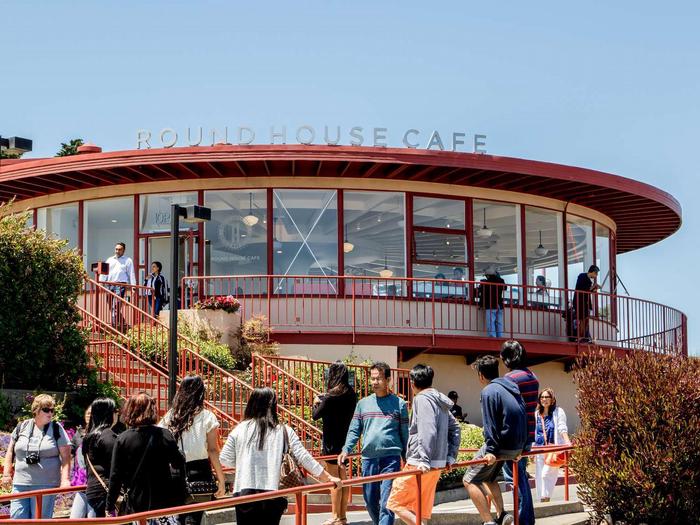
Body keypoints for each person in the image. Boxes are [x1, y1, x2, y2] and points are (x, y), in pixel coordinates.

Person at [219, 387, 341, 525]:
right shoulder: (283, 430)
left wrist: (245, 463)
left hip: (244, 491)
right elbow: (303, 456)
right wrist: (327, 477)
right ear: (273, 406)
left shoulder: (240, 429)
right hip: (273, 492)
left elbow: (225, 458)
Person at [387, 365, 460, 525]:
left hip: (419, 462)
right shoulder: (440, 401)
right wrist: (450, 456)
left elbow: (428, 430)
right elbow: (455, 427)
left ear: (412, 382)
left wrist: (424, 459)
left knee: (395, 501)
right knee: (422, 507)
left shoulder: (421, 399)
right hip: (438, 462)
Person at [338, 362, 409, 525]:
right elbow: (354, 430)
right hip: (368, 459)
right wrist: (346, 449)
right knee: (370, 502)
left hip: (390, 459)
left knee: (386, 503)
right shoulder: (362, 404)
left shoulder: (399, 404)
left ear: (388, 380)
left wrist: (407, 457)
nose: (375, 382)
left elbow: (405, 433)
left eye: (379, 379)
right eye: (372, 379)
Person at [462, 355, 527, 525]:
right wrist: (522, 448)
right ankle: (503, 515)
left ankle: (488, 521)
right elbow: (523, 415)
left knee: (468, 479)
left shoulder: (489, 391)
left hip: (500, 446)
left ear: (481, 375)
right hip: (517, 447)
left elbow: (490, 423)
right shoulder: (512, 387)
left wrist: (490, 450)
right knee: (488, 477)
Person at [107, 393, 187, 518]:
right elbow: (178, 462)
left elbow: (115, 476)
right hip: (162, 502)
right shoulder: (165, 435)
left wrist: (109, 506)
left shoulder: (123, 439)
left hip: (135, 502)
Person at [160, 376, 227, 525]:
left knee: (177, 517)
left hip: (174, 471)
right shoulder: (207, 417)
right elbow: (213, 450)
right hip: (199, 471)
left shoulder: (170, 416)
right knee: (194, 517)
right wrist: (221, 480)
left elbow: (160, 440)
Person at [1, 394, 71, 519]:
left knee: (39, 520)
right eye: (46, 409)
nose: (50, 413)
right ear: (36, 410)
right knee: (17, 518)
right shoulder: (21, 427)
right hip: (20, 483)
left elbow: (66, 458)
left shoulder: (56, 429)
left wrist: (65, 480)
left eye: (52, 410)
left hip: (45, 485)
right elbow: (10, 452)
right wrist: (6, 474)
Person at [312, 362, 357, 525]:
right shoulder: (352, 395)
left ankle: (335, 516)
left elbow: (315, 415)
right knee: (343, 477)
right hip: (345, 442)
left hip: (331, 442)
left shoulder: (330, 397)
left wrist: (316, 401)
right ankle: (343, 516)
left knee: (334, 479)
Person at [500, 340, 538, 525]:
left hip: (514, 437)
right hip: (529, 434)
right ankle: (527, 518)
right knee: (521, 474)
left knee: (515, 478)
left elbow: (509, 411)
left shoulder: (510, 379)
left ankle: (525, 519)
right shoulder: (533, 377)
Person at [83, 398, 118, 518]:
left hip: (93, 489)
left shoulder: (88, 437)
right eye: (115, 410)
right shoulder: (108, 436)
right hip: (105, 491)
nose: (116, 414)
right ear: (108, 413)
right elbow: (116, 466)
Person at [534, 388, 570, 502]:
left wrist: (567, 442)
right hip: (539, 449)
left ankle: (546, 498)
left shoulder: (558, 412)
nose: (544, 399)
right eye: (542, 397)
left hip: (553, 449)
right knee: (539, 477)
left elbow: (562, 427)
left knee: (546, 475)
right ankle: (542, 500)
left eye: (547, 397)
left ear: (552, 399)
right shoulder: (536, 414)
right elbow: (534, 431)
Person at [102, 242, 137, 330]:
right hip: (109, 284)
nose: (117, 251)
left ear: (123, 250)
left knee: (117, 304)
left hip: (120, 285)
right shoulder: (110, 259)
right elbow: (104, 273)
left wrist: (133, 286)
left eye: (120, 249)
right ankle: (121, 321)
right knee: (110, 304)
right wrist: (101, 282)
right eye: (116, 249)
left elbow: (131, 273)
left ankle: (114, 324)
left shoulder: (128, 260)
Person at [69, 406, 93, 519]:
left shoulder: (101, 434)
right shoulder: (79, 434)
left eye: (91, 413)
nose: (88, 415)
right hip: (81, 483)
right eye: (87, 412)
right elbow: (70, 452)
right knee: (75, 518)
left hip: (94, 484)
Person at [574, 264, 600, 342]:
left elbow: (587, 291)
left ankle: (584, 337)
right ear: (593, 272)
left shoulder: (588, 281)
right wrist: (592, 287)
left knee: (585, 320)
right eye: (596, 274)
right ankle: (581, 337)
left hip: (585, 303)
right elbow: (581, 288)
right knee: (582, 320)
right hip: (579, 302)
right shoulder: (582, 276)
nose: (596, 276)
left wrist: (593, 290)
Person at [478, 266, 506, 338]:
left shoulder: (486, 283)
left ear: (487, 275)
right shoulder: (501, 280)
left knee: (491, 322)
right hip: (499, 304)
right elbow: (505, 288)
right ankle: (500, 336)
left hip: (490, 305)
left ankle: (492, 337)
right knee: (499, 322)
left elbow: (482, 295)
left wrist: (480, 304)